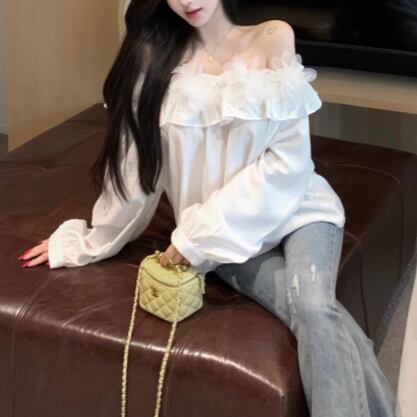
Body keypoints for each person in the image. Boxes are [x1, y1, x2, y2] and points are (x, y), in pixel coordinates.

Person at [17, 0, 397, 415]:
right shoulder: (156, 60)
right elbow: (136, 172)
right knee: (321, 317)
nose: (188, 1)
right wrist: (88, 243)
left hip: (300, 212)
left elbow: (288, 164)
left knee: (313, 306)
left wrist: (199, 233)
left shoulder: (273, 37)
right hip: (224, 241)